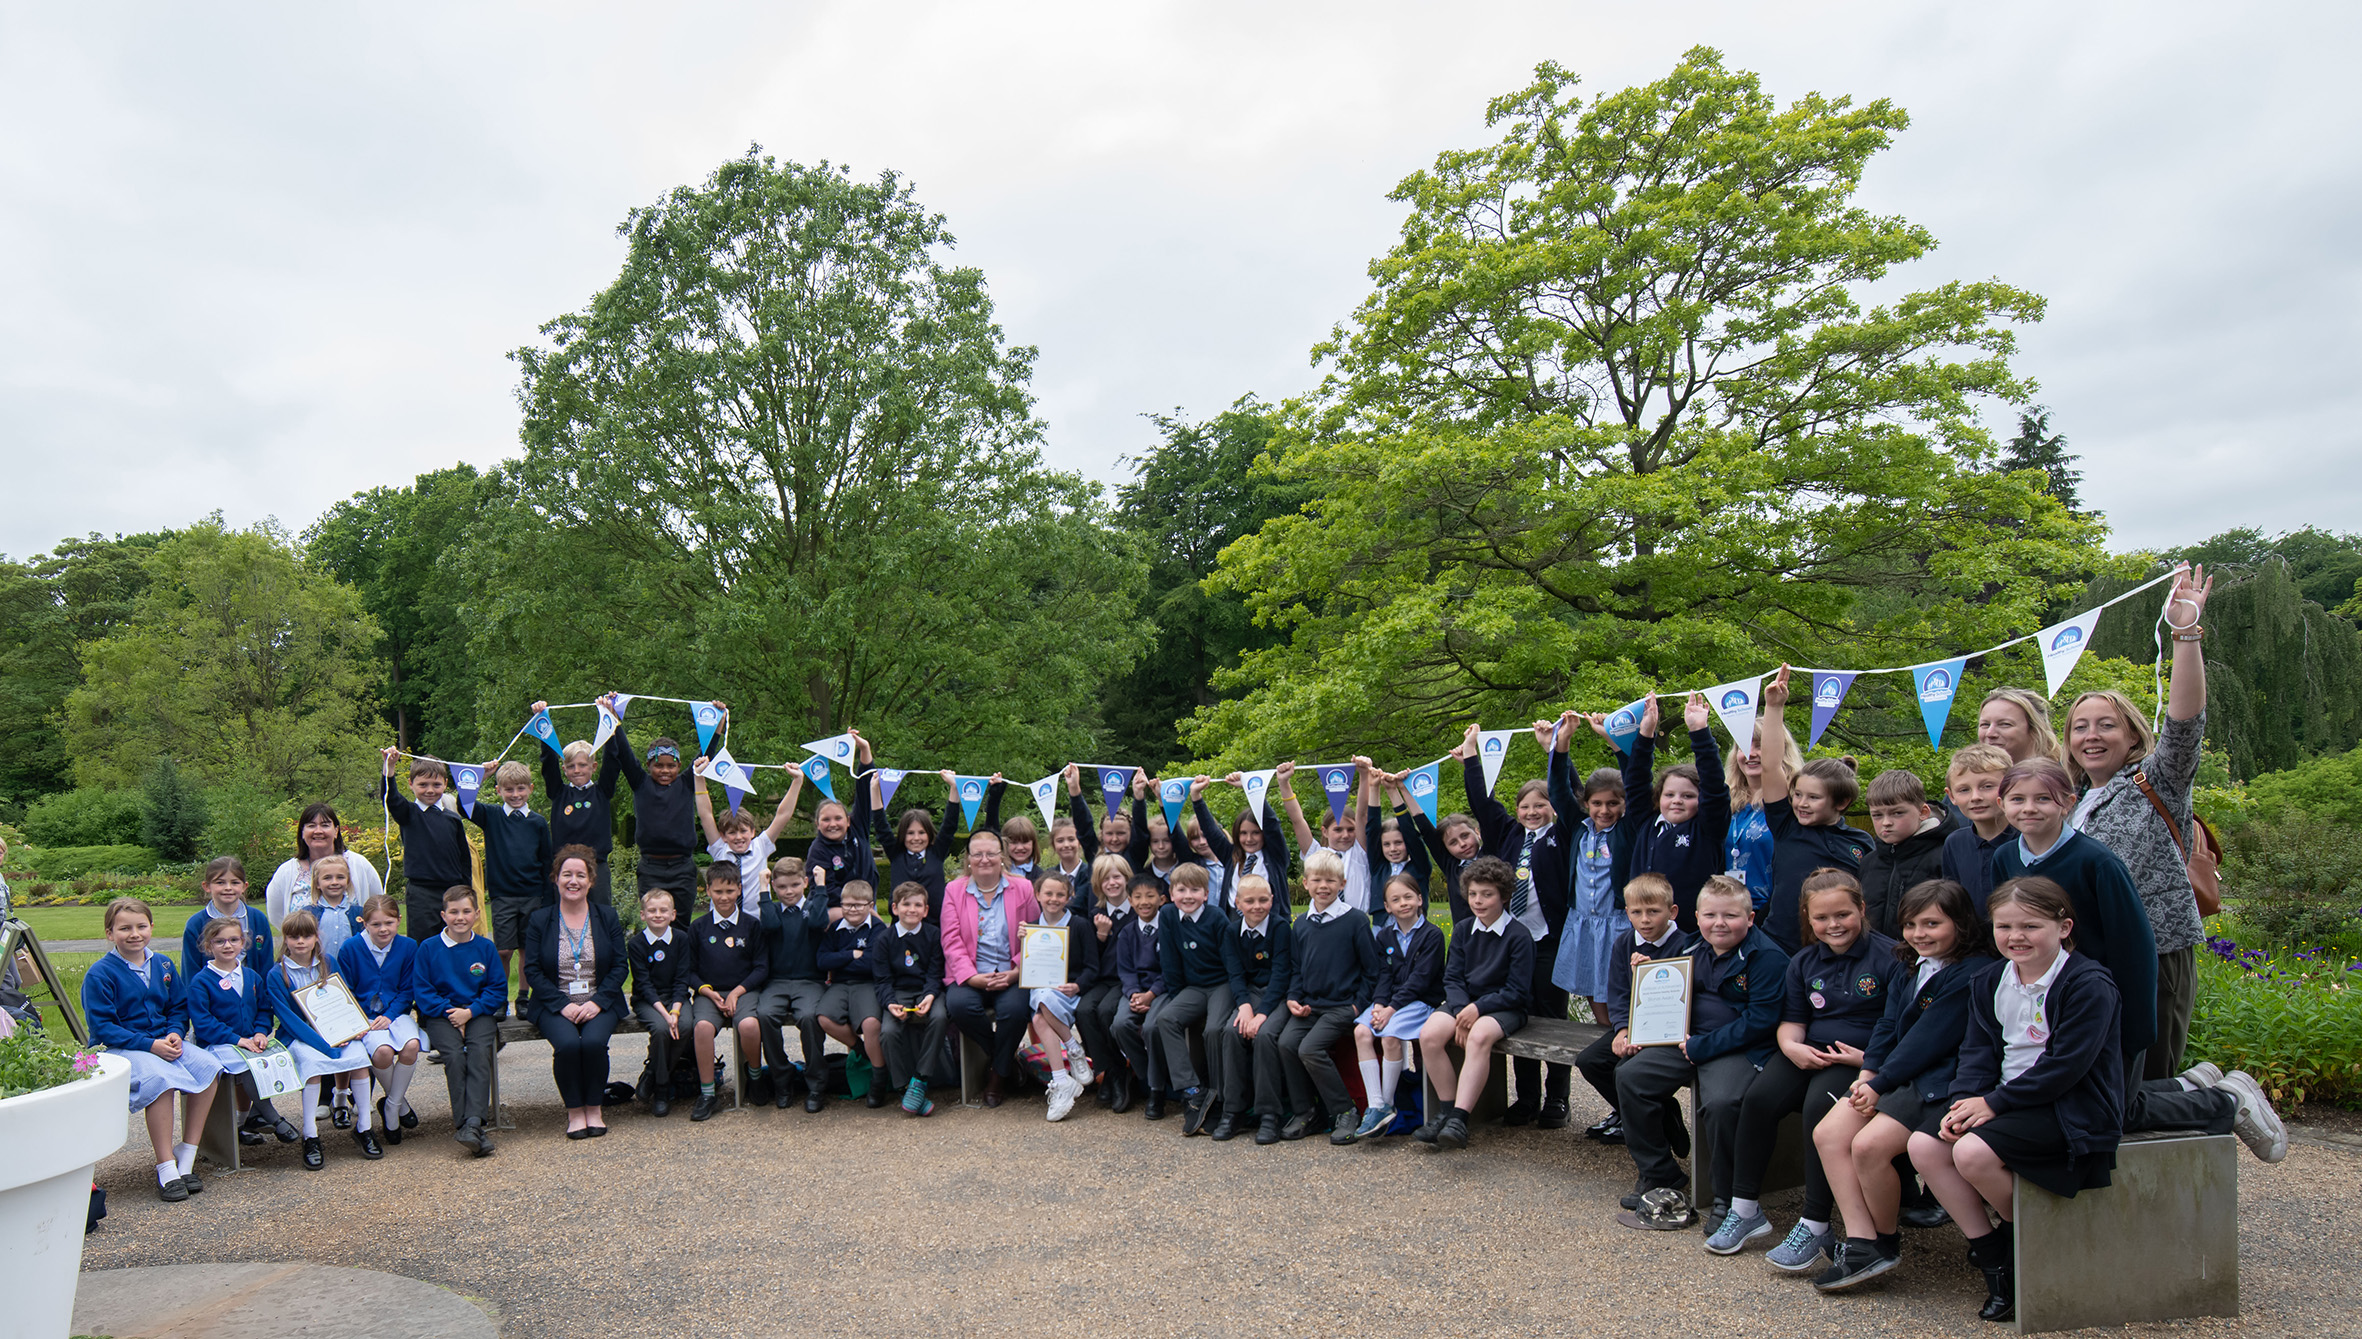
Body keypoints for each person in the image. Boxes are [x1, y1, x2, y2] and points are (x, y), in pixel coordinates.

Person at [1988, 758, 2277, 1155]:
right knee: (2075, 1102)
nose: (2029, 808)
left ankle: (2226, 1102)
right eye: (2017, 799)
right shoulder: (2005, 859)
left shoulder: (2097, 861)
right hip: (2046, 1003)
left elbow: (2134, 946)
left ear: (2069, 803)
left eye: (2044, 798)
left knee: (2108, 1111)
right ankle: (2189, 1086)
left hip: (2100, 1004)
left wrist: (2136, 1024)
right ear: (2002, 804)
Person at [1909, 877, 2124, 1324]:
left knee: (1972, 1152)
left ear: (2063, 927)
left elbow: (2068, 1067)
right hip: (2009, 1098)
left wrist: (1993, 1105)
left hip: (2070, 1104)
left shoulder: (2087, 983)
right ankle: (1994, 1259)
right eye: (2004, 926)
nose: (2015, 937)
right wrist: (1965, 1100)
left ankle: (2024, 1246)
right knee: (1925, 1146)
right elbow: (1978, 1050)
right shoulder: (1991, 979)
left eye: (2030, 926)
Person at [2060, 566, 2213, 1083]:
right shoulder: (2069, 801)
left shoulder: (2156, 780)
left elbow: (2184, 723)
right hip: (2087, 959)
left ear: (2132, 736)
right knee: (2103, 1085)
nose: (2092, 735)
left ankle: (2222, 1097)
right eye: (2081, 727)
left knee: (2148, 1084)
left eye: (2107, 724)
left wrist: (2185, 633)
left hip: (2155, 951)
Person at [1708, 869, 1902, 1270]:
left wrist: (1864, 1060)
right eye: (1821, 918)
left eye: (1843, 915)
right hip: (1807, 1052)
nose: (1833, 925)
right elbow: (1792, 1019)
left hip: (1859, 1061)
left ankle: (1815, 1223)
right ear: (1807, 919)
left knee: (1818, 1109)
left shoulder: (1890, 957)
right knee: (1758, 1099)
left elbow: (1899, 1028)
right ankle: (1745, 1210)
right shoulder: (1803, 961)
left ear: (1862, 910)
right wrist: (1791, 1047)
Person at [1810, 877, 1990, 1292]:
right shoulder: (1911, 963)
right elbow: (1888, 1024)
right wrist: (1868, 1074)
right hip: (1895, 1074)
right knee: (1829, 1133)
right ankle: (1862, 1241)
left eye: (1931, 924)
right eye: (1910, 925)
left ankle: (1885, 1240)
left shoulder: (1971, 972)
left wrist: (1880, 1082)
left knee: (1867, 1146)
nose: (1918, 935)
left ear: (1960, 924)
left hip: (1938, 1079)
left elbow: (1929, 1041)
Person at [1614, 875, 1789, 1232]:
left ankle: (1726, 1199)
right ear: (1697, 917)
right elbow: (1668, 994)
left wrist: (1700, 1046)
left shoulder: (1768, 958)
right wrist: (1647, 976)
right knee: (1631, 1076)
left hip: (1738, 1048)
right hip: (1687, 1040)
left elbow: (1761, 1021)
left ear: (1751, 918)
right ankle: (1659, 1173)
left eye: (1730, 916)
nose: (1719, 924)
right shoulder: (1692, 949)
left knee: (1723, 1103)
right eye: (1710, 916)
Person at [1460, 720, 1582, 1129]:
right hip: (1513, 942)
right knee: (1520, 1014)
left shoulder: (1564, 833)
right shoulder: (1508, 834)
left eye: (1540, 806)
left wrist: (1555, 751)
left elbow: (1570, 794)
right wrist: (1472, 753)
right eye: (1525, 806)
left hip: (1549, 941)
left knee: (1553, 1018)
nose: (1532, 812)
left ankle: (1557, 1099)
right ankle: (1526, 1097)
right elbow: (1481, 801)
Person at [83, 897, 224, 1202]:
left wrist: (175, 1032)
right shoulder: (101, 973)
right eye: (124, 928)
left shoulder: (162, 964)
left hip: (163, 1041)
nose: (134, 934)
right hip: (121, 1048)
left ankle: (186, 1154)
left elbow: (177, 1006)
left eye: (141, 926)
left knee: (208, 1066)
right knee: (161, 1079)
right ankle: (165, 1167)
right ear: (110, 933)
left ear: (151, 928)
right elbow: (103, 1027)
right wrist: (150, 1045)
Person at [1414, 856, 1533, 1151]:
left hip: (1505, 1007)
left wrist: (1477, 1011)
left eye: (1487, 894)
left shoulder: (1519, 936)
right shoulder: (1464, 929)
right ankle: (1445, 1110)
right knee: (1428, 1035)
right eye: (1473, 894)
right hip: (1464, 1004)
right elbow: (1452, 978)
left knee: (1479, 1036)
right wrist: (1461, 1009)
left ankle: (1460, 1119)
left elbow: (1517, 991)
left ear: (1504, 896)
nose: (1478, 901)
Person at [1752, 668, 1872, 952]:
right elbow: (1771, 764)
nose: (1801, 803)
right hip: (1779, 944)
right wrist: (1773, 707)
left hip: (1834, 946)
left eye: (1813, 798)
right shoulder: (1786, 825)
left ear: (1841, 803)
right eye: (1798, 795)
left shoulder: (1860, 842)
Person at [1571, 873, 1690, 1150]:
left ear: (1672, 912)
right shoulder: (1624, 943)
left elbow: (1682, 995)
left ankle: (1648, 1125)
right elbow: (1619, 992)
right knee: (1591, 1061)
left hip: (1670, 1031)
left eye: (1653, 912)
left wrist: (1649, 973)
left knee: (1626, 1071)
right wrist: (1622, 1029)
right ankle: (1660, 1112)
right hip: (1636, 1025)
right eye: (1637, 912)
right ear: (1627, 912)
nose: (1645, 920)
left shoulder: (1685, 945)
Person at [1603, 692, 1734, 934]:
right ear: (1659, 798)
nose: (1677, 801)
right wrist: (1645, 734)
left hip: (1692, 934)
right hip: (1646, 933)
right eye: (1670, 795)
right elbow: (1636, 781)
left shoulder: (1707, 828)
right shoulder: (1646, 823)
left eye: (1688, 796)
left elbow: (1715, 788)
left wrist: (1699, 732)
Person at [523, 846, 629, 1139]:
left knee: (594, 1043)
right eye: (566, 874)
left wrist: (597, 1002)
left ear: (591, 881)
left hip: (599, 1000)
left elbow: (621, 966)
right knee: (569, 1045)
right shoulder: (540, 920)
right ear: (555, 878)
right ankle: (574, 1112)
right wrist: (562, 1005)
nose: (574, 881)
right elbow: (532, 970)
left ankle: (594, 1108)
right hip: (554, 1002)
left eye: (581, 875)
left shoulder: (607, 917)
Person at [1276, 848, 1380, 1142]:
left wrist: (1357, 1004)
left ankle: (1345, 1111)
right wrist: (1293, 997)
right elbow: (1296, 968)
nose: (1324, 886)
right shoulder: (1302, 924)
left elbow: (1372, 970)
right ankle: (1306, 1111)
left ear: (1342, 884)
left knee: (1309, 1049)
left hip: (1342, 1006)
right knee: (1285, 1043)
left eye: (1331, 881)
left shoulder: (1355, 921)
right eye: (1317, 880)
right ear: (1306, 883)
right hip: (1310, 1006)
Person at [267, 910, 383, 1166]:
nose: (300, 942)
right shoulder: (278, 974)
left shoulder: (328, 961)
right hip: (301, 1037)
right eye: (294, 936)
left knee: (359, 1060)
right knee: (312, 1067)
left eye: (306, 936)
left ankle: (364, 1127)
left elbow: (344, 998)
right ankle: (310, 1135)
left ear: (316, 938)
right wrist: (324, 1043)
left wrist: (351, 1028)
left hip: (337, 1032)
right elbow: (289, 1019)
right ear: (285, 939)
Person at [939, 829, 1040, 1108]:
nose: (985, 859)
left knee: (1016, 1011)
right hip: (971, 974)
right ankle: (1004, 1061)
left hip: (1010, 973)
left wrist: (1016, 972)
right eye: (978, 854)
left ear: (1002, 857)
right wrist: (972, 978)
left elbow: (1034, 933)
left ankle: (996, 1078)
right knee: (959, 1007)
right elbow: (950, 939)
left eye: (991, 853)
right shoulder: (954, 890)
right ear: (968, 859)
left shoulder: (1022, 888)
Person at [189, 918, 299, 1149]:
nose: (227, 946)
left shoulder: (251, 977)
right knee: (250, 1066)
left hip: (251, 1040)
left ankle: (248, 1119)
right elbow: (203, 1022)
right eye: (219, 941)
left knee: (279, 1060)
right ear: (209, 946)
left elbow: (263, 1009)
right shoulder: (202, 981)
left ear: (243, 943)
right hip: (219, 1044)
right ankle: (274, 1119)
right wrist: (237, 1039)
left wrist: (260, 1032)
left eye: (233, 940)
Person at [1349, 872, 1444, 1140]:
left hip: (1419, 1003)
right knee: (1361, 1032)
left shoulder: (1432, 935)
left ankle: (1387, 1104)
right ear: (1387, 906)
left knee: (1391, 1035)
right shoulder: (1385, 937)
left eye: (1408, 897)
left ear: (1419, 899)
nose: (1403, 903)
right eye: (1395, 899)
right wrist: (1379, 1004)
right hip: (1390, 1002)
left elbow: (1421, 981)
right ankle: (1376, 1104)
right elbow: (1384, 975)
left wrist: (1390, 1010)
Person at [412, 887, 503, 1155]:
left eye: (466, 911)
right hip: (441, 1015)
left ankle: (470, 1124)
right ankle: (470, 1125)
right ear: (444, 915)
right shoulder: (429, 948)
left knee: (479, 1053)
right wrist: (451, 1013)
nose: (460, 917)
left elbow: (496, 989)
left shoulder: (485, 947)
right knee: (453, 1056)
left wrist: (470, 1012)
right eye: (453, 912)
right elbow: (423, 990)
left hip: (478, 1013)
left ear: (476, 914)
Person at [466, 760, 555, 1017]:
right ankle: (500, 998)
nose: (515, 795)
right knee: (503, 950)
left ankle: (524, 998)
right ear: (498, 791)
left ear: (530, 789)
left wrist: (548, 899)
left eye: (520, 789)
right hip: (503, 896)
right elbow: (464, 804)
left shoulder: (537, 822)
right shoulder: (491, 816)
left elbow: (546, 860)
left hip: (533, 895)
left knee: (528, 949)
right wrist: (482, 775)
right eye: (509, 790)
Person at [1548, 758, 1629, 1029]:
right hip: (1583, 921)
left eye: (1613, 803)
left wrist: (1616, 743)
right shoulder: (1579, 827)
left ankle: (1621, 1030)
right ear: (1586, 803)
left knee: (1616, 982)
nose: (1604, 811)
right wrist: (1560, 747)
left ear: (1624, 803)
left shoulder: (1627, 830)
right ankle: (1605, 1029)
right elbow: (1558, 790)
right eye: (1597, 803)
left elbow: (1638, 781)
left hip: (1616, 921)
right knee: (1591, 981)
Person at [1154, 862, 1233, 1135]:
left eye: (1195, 890)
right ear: (1171, 893)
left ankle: (1220, 1096)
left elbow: (1231, 961)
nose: (1188, 896)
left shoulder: (1216, 917)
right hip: (1193, 988)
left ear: (1206, 894)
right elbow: (1170, 961)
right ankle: (1192, 1090)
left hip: (1221, 984)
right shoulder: (1167, 915)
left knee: (1213, 1029)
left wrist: (1239, 995)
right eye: (1182, 890)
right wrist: (1179, 1001)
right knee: (1167, 1018)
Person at [685, 863, 767, 1122]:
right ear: (707, 890)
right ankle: (708, 1093)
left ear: (739, 890)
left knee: (750, 1026)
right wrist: (707, 992)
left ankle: (754, 1076)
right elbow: (689, 971)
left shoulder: (752, 925)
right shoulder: (698, 928)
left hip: (744, 991)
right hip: (710, 994)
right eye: (718, 891)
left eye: (730, 890)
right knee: (702, 1029)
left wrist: (736, 993)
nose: (724, 897)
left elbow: (762, 967)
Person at [338, 896, 423, 1144]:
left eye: (388, 922)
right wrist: (362, 1019)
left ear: (398, 920)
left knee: (411, 1046)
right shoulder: (351, 948)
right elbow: (346, 991)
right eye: (375, 924)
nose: (383, 929)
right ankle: (401, 1106)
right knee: (383, 1052)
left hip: (396, 1013)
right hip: (365, 1017)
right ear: (364, 923)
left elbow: (408, 989)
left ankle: (391, 1105)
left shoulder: (408, 947)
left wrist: (390, 1015)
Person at [612, 697, 713, 903]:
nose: (665, 770)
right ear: (648, 765)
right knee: (654, 920)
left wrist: (717, 723)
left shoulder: (686, 782)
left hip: (683, 867)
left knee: (682, 925)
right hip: (651, 867)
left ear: (679, 765)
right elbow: (624, 753)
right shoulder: (640, 783)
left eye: (671, 766)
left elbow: (706, 754)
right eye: (659, 765)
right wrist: (613, 717)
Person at [1216, 873, 1293, 1144]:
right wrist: (1245, 1008)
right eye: (1249, 901)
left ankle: (1269, 1113)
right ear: (1238, 902)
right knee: (1231, 1031)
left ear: (1272, 900)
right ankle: (1233, 1110)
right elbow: (1235, 973)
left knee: (1266, 1035)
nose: (1257, 906)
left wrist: (1262, 1015)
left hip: (1278, 996)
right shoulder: (1231, 931)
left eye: (1263, 900)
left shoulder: (1281, 928)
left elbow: (1282, 975)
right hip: (1249, 995)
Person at [753, 856, 831, 1110]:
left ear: (805, 883)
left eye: (795, 885)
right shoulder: (772, 909)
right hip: (777, 981)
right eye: (782, 886)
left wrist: (821, 887)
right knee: (764, 1014)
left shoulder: (812, 908)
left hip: (809, 981)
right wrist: (763, 891)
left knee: (809, 1017)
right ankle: (782, 1079)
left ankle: (816, 1084)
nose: (789, 892)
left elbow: (820, 922)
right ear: (774, 885)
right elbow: (771, 925)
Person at [1024, 870, 1101, 1122]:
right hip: (1044, 990)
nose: (1054, 899)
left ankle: (1063, 1072)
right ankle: (1066, 1068)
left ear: (1070, 896)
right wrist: (1024, 944)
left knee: (1038, 1018)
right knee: (1042, 998)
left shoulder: (1079, 925)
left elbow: (1092, 968)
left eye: (1060, 894)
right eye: (1048, 893)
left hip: (1070, 993)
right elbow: (1028, 968)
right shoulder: (1032, 928)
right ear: (1038, 894)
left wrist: (1077, 986)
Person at [536, 701, 625, 909]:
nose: (577, 770)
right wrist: (542, 719)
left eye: (583, 765)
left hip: (597, 867)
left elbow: (612, 759)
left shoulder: (602, 791)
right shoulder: (559, 793)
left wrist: (609, 717)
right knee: (565, 916)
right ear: (564, 769)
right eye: (571, 766)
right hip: (564, 867)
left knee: (600, 914)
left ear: (593, 767)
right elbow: (548, 762)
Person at [381, 749, 470, 942]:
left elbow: (464, 859)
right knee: (423, 943)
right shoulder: (408, 813)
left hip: (452, 891)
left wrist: (467, 891)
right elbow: (391, 799)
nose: (430, 790)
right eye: (423, 785)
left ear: (445, 784)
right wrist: (389, 768)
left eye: (436, 784)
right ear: (411, 784)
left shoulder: (453, 819)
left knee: (454, 942)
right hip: (421, 892)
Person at [816, 880, 891, 1108]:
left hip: (868, 984)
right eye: (847, 905)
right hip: (840, 985)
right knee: (824, 1018)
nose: (852, 910)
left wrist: (840, 960)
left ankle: (879, 1077)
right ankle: (860, 1050)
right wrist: (851, 954)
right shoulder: (836, 928)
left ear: (870, 905)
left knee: (871, 1024)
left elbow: (871, 964)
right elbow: (822, 961)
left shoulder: (878, 929)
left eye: (858, 905)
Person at [875, 882, 948, 1117]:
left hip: (926, 990)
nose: (912, 910)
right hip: (898, 993)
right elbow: (882, 980)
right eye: (906, 904)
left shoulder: (934, 935)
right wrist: (889, 1003)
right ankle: (904, 1087)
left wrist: (929, 995)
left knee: (938, 1016)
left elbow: (935, 972)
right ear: (895, 908)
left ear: (926, 910)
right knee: (888, 1031)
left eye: (918, 905)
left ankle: (920, 1078)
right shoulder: (884, 939)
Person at [1857, 770, 1955, 939]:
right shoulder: (1869, 862)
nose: (1886, 822)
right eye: (1877, 815)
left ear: (1923, 812)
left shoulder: (1944, 856)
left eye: (1897, 813)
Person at [693, 759, 802, 905]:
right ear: (723, 836)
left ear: (752, 832)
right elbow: (705, 814)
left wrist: (797, 781)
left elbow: (783, 815)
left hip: (757, 921)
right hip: (724, 919)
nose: (738, 837)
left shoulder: (761, 846)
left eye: (743, 831)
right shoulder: (719, 849)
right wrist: (698, 776)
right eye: (732, 833)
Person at [1723, 720, 1802, 914]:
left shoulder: (1793, 803)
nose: (1751, 753)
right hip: (1728, 911)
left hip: (1774, 913)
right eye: (1743, 746)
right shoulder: (1728, 803)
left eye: (1760, 746)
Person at [627, 886, 694, 1116]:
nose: (658, 915)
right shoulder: (636, 944)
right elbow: (643, 984)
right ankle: (663, 1089)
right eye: (652, 910)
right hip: (648, 1000)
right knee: (661, 1029)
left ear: (673, 915)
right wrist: (666, 1016)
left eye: (663, 910)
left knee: (684, 1026)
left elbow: (682, 978)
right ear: (643, 914)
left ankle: (652, 1073)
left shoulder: (682, 939)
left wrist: (675, 1011)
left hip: (676, 998)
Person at [264, 803, 387, 926]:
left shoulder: (358, 864)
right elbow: (277, 915)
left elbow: (376, 904)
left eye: (325, 825)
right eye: (311, 826)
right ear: (302, 832)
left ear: (336, 831)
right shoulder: (287, 871)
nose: (318, 831)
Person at [1076, 854, 1135, 1107]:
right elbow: (1092, 959)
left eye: (1117, 877)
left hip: (1126, 980)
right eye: (1105, 879)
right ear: (1098, 885)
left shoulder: (1137, 910)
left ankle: (1119, 1072)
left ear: (1126, 879)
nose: (1112, 883)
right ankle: (1108, 1069)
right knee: (1084, 1009)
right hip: (1103, 978)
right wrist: (1101, 935)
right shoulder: (1095, 914)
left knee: (1106, 1010)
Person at [1276, 760, 1371, 914]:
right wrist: (1283, 782)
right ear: (1325, 831)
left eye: (1351, 829)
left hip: (1356, 923)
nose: (1345, 835)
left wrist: (1364, 774)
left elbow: (1362, 813)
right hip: (1322, 921)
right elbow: (1297, 820)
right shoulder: (1317, 854)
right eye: (1338, 830)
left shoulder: (1360, 852)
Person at [1108, 873, 1169, 1115]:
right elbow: (1126, 970)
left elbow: (1171, 969)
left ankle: (1157, 1090)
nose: (1144, 902)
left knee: (1154, 1027)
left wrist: (1151, 995)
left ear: (1162, 899)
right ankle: (1147, 1077)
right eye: (1138, 897)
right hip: (1135, 990)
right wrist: (1134, 994)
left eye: (1150, 896)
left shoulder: (1169, 928)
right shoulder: (1127, 932)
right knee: (1120, 1024)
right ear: (1130, 901)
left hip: (1162, 990)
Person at [1937, 744, 2016, 913]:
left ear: (2010, 787)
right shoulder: (1955, 844)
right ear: (1951, 796)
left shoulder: (2027, 840)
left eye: (1987, 786)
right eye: (1964, 790)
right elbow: (1955, 903)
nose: (1976, 797)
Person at [803, 730, 880, 901]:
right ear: (817, 823)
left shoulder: (858, 829)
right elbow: (825, 890)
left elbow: (865, 790)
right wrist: (857, 904)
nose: (833, 824)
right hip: (836, 909)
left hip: (867, 903)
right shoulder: (818, 851)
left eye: (838, 818)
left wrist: (864, 749)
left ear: (848, 821)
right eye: (826, 819)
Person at [877, 769, 964, 918]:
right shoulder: (896, 854)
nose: (916, 838)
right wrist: (874, 789)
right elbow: (882, 827)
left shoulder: (936, 853)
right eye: (910, 833)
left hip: (934, 929)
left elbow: (949, 825)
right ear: (903, 835)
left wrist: (954, 787)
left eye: (921, 832)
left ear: (929, 834)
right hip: (901, 927)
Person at [1200, 779, 1291, 912]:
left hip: (1269, 923)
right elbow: (1210, 831)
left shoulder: (1275, 856)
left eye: (1255, 833)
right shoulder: (1231, 855)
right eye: (1243, 833)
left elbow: (1272, 824)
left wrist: (1250, 788)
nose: (1249, 839)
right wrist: (1196, 797)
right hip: (1234, 921)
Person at [1976, 687, 2066, 765]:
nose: (1990, 733)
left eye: (2005, 724)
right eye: (1985, 725)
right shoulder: (1970, 778)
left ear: (2034, 729)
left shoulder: (2058, 780)